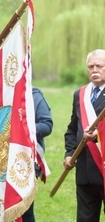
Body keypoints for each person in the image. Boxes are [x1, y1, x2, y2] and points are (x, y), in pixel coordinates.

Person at [63, 49, 105, 222]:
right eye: (91, 66)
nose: (94, 70)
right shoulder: (79, 94)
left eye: (99, 66)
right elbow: (73, 129)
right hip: (85, 171)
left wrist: (99, 136)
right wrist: (69, 154)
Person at [21, 87, 53, 222]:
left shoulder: (33, 94)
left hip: (26, 161)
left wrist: (21, 129)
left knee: (24, 211)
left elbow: (46, 125)